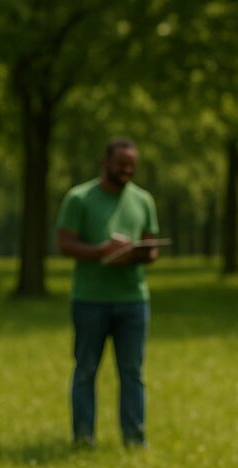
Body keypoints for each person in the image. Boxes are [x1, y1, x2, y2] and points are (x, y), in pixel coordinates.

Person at [56, 136, 160, 448]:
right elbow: (64, 243)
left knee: (132, 372)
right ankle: (83, 438)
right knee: (86, 370)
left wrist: (136, 253)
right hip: (90, 299)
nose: (127, 170)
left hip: (133, 299)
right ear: (105, 162)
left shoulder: (143, 200)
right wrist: (101, 251)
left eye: (132, 165)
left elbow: (152, 248)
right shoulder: (79, 198)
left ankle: (134, 438)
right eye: (121, 164)